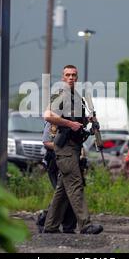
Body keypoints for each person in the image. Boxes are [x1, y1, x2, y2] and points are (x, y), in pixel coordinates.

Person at [42, 65, 103, 235]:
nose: (71, 78)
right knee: (76, 185)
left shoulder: (77, 98)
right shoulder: (59, 95)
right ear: (63, 78)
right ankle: (85, 224)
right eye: (67, 75)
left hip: (74, 148)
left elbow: (79, 123)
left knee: (62, 190)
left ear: (77, 77)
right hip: (65, 149)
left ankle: (50, 226)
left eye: (74, 75)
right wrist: (69, 124)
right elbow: (47, 115)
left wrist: (88, 120)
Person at [35, 121, 77, 233]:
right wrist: (64, 148)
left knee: (71, 193)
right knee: (63, 194)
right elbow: (46, 141)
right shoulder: (54, 120)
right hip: (55, 160)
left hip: (70, 160)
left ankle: (69, 226)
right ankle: (45, 219)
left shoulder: (72, 120)